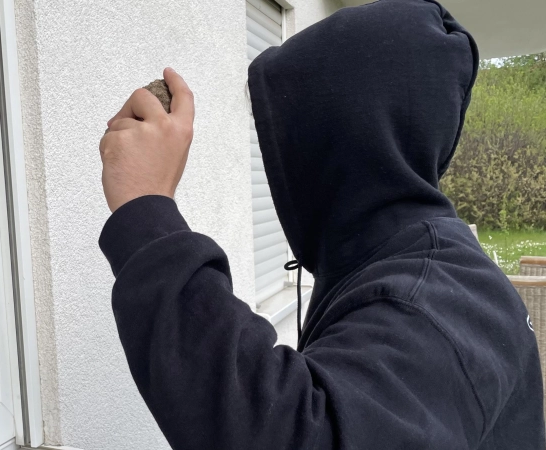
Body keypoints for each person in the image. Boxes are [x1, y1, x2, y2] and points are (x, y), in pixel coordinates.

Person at [97, 0, 545, 448]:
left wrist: (146, 210)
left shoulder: (427, 300)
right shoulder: (402, 264)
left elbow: (304, 434)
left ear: (344, 139)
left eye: (286, 134)